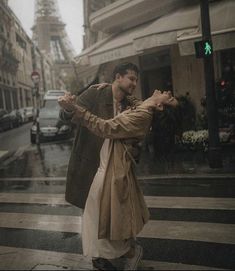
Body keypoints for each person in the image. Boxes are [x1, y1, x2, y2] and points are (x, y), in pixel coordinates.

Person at [58, 90, 178, 270]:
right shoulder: (141, 106)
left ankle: (129, 253)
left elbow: (105, 127)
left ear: (160, 105)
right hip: (106, 165)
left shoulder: (142, 115)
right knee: (100, 215)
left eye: (170, 97)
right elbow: (130, 96)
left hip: (110, 170)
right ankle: (108, 256)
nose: (168, 92)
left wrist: (74, 108)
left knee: (104, 216)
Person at [59, 62, 142, 270]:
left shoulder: (130, 104)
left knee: (113, 210)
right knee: (93, 211)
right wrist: (68, 109)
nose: (134, 83)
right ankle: (98, 257)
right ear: (118, 77)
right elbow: (68, 114)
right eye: (131, 78)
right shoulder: (95, 94)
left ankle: (117, 250)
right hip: (91, 163)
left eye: (136, 80)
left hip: (115, 165)